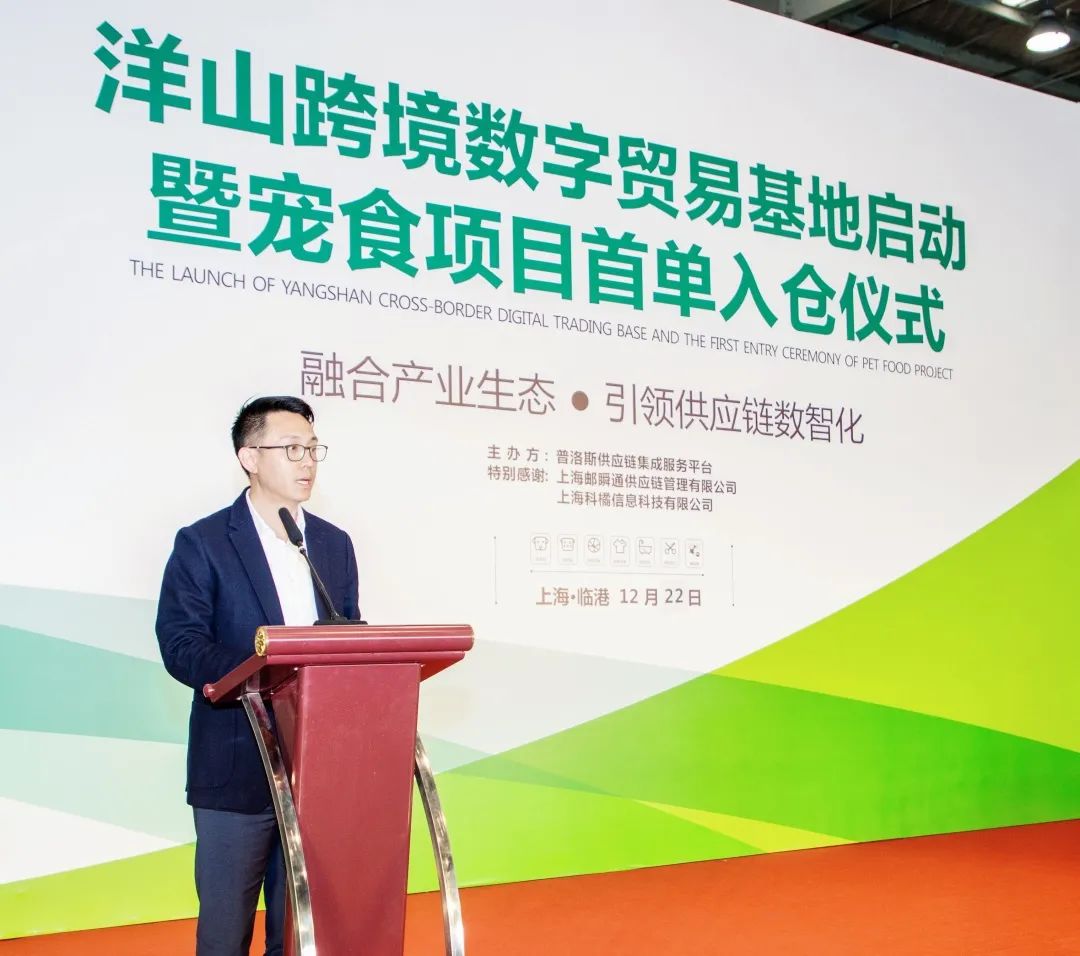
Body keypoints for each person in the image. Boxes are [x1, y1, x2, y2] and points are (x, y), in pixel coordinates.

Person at [156, 396, 360, 955]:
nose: (307, 461)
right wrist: (267, 670)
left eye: (313, 448)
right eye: (292, 448)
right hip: (236, 764)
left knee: (300, 934)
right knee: (225, 935)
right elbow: (181, 644)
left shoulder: (333, 545)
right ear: (249, 457)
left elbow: (347, 635)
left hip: (317, 770)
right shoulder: (203, 543)